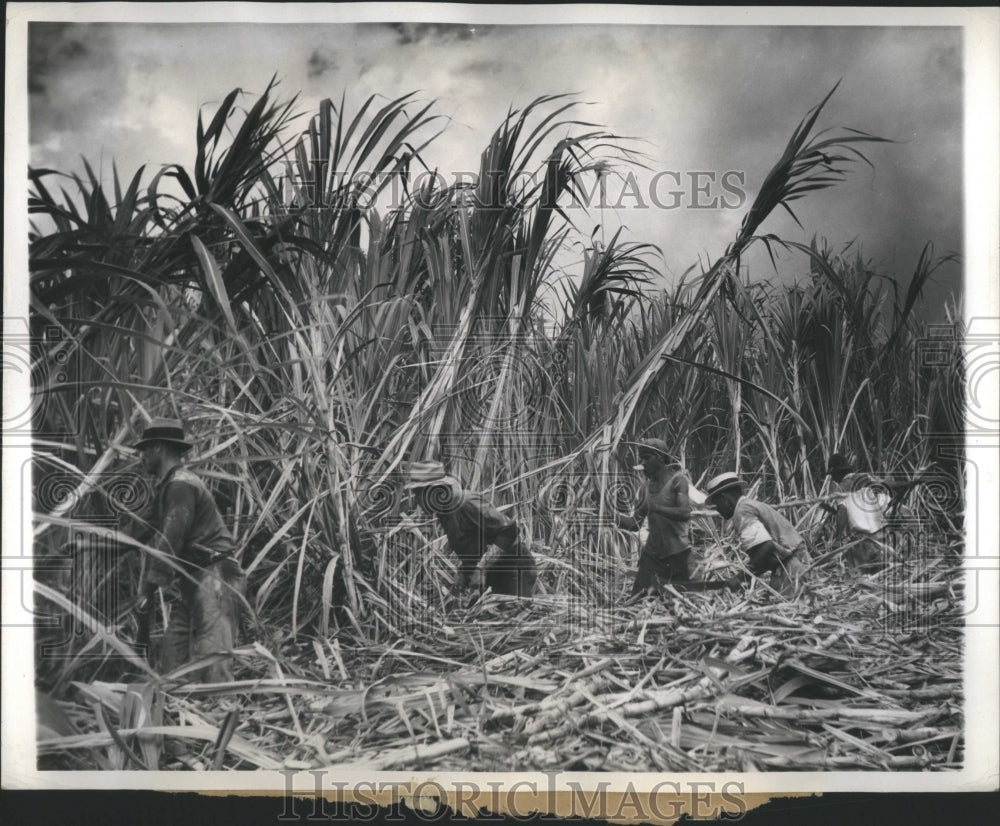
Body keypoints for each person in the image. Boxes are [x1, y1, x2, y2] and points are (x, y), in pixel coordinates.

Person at [130, 418, 246, 682]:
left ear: (158, 448)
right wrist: (90, 542)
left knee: (213, 660)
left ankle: (223, 714)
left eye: (145, 449)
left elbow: (169, 540)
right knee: (172, 661)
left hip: (216, 576)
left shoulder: (181, 485)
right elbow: (138, 531)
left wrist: (147, 590)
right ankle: (177, 716)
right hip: (193, 580)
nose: (141, 457)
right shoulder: (168, 488)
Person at [404, 461, 536, 598]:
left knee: (513, 614)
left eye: (418, 494)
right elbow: (476, 547)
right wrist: (464, 574)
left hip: (515, 568)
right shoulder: (445, 513)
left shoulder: (466, 503)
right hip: (495, 573)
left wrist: (481, 569)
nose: (417, 501)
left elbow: (509, 531)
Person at [704, 472, 807, 598]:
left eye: (716, 505)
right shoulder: (750, 505)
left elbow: (767, 547)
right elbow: (767, 552)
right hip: (793, 566)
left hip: (793, 569)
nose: (717, 510)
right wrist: (747, 576)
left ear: (725, 498)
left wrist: (740, 577)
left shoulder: (743, 510)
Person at [615, 439, 694, 598]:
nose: (643, 463)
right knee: (637, 601)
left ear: (660, 458)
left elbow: (685, 513)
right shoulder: (645, 489)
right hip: (652, 556)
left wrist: (656, 508)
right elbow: (634, 524)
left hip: (677, 554)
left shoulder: (678, 482)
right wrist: (610, 516)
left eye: (647, 458)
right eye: (641, 459)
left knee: (682, 604)